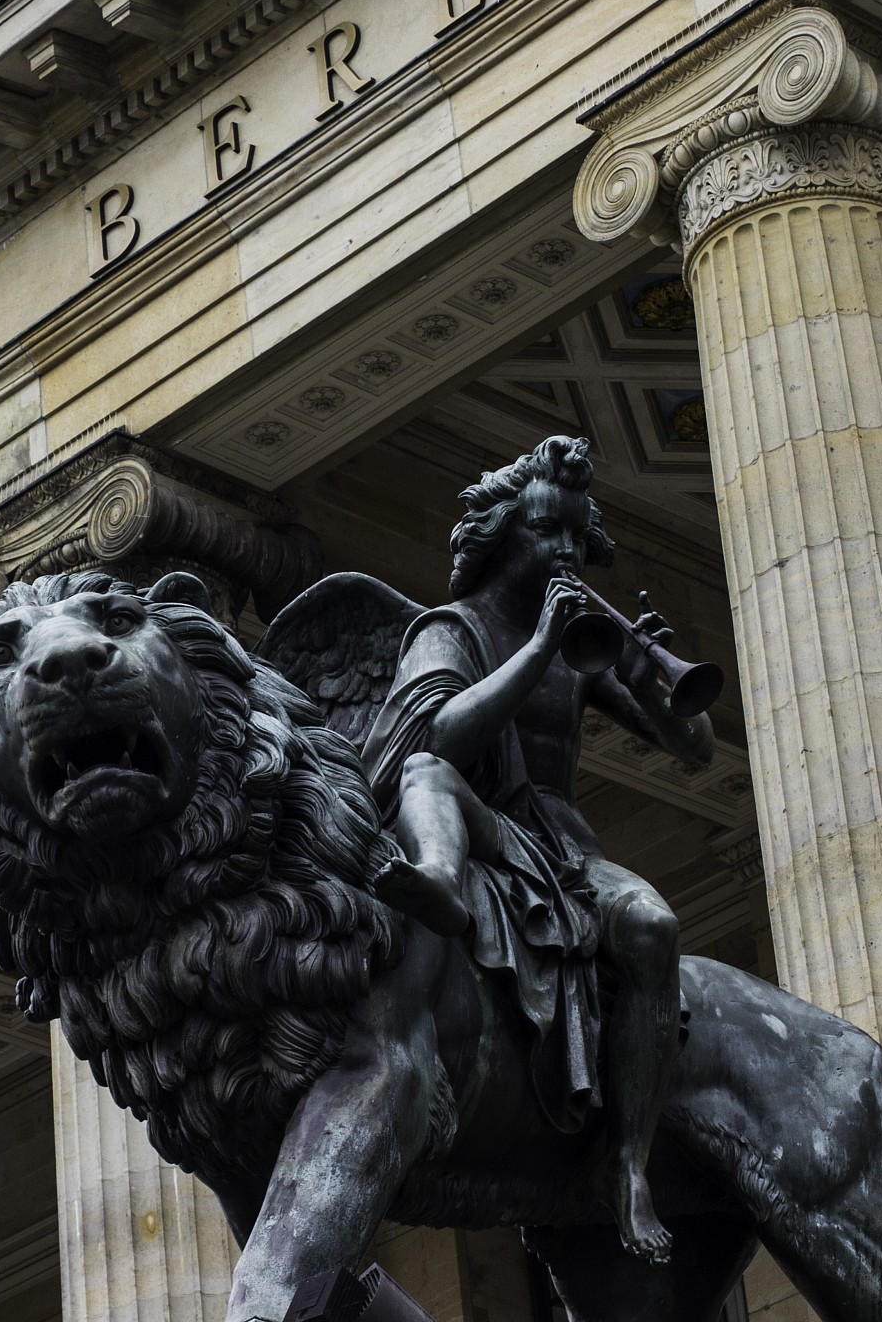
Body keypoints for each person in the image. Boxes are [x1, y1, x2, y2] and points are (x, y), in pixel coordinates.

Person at [359, 436, 712, 1264]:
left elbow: (694, 749)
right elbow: (439, 736)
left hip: (562, 843)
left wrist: (660, 683)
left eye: (573, 535)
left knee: (654, 928)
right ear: (503, 536)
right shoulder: (450, 630)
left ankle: (626, 1165)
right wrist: (538, 645)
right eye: (547, 531)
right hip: (474, 821)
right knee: (427, 775)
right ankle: (438, 887)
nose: (563, 550)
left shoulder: (582, 642)